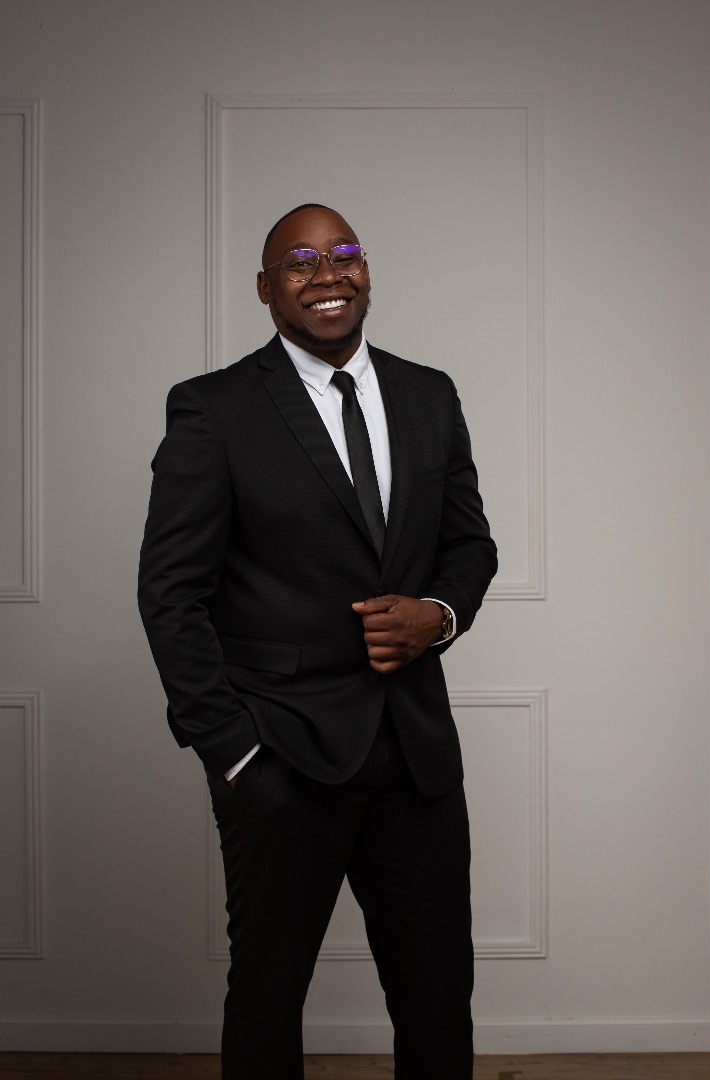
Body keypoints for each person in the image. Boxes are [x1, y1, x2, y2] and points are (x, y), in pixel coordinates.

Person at [138, 203, 497, 1080]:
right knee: (268, 997)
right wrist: (233, 753)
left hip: (415, 756)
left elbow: (468, 545)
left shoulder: (428, 394)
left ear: (366, 271)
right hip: (281, 756)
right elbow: (170, 593)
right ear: (265, 289)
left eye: (344, 254)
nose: (327, 275)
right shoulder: (213, 409)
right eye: (300, 262)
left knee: (437, 995)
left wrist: (438, 613)